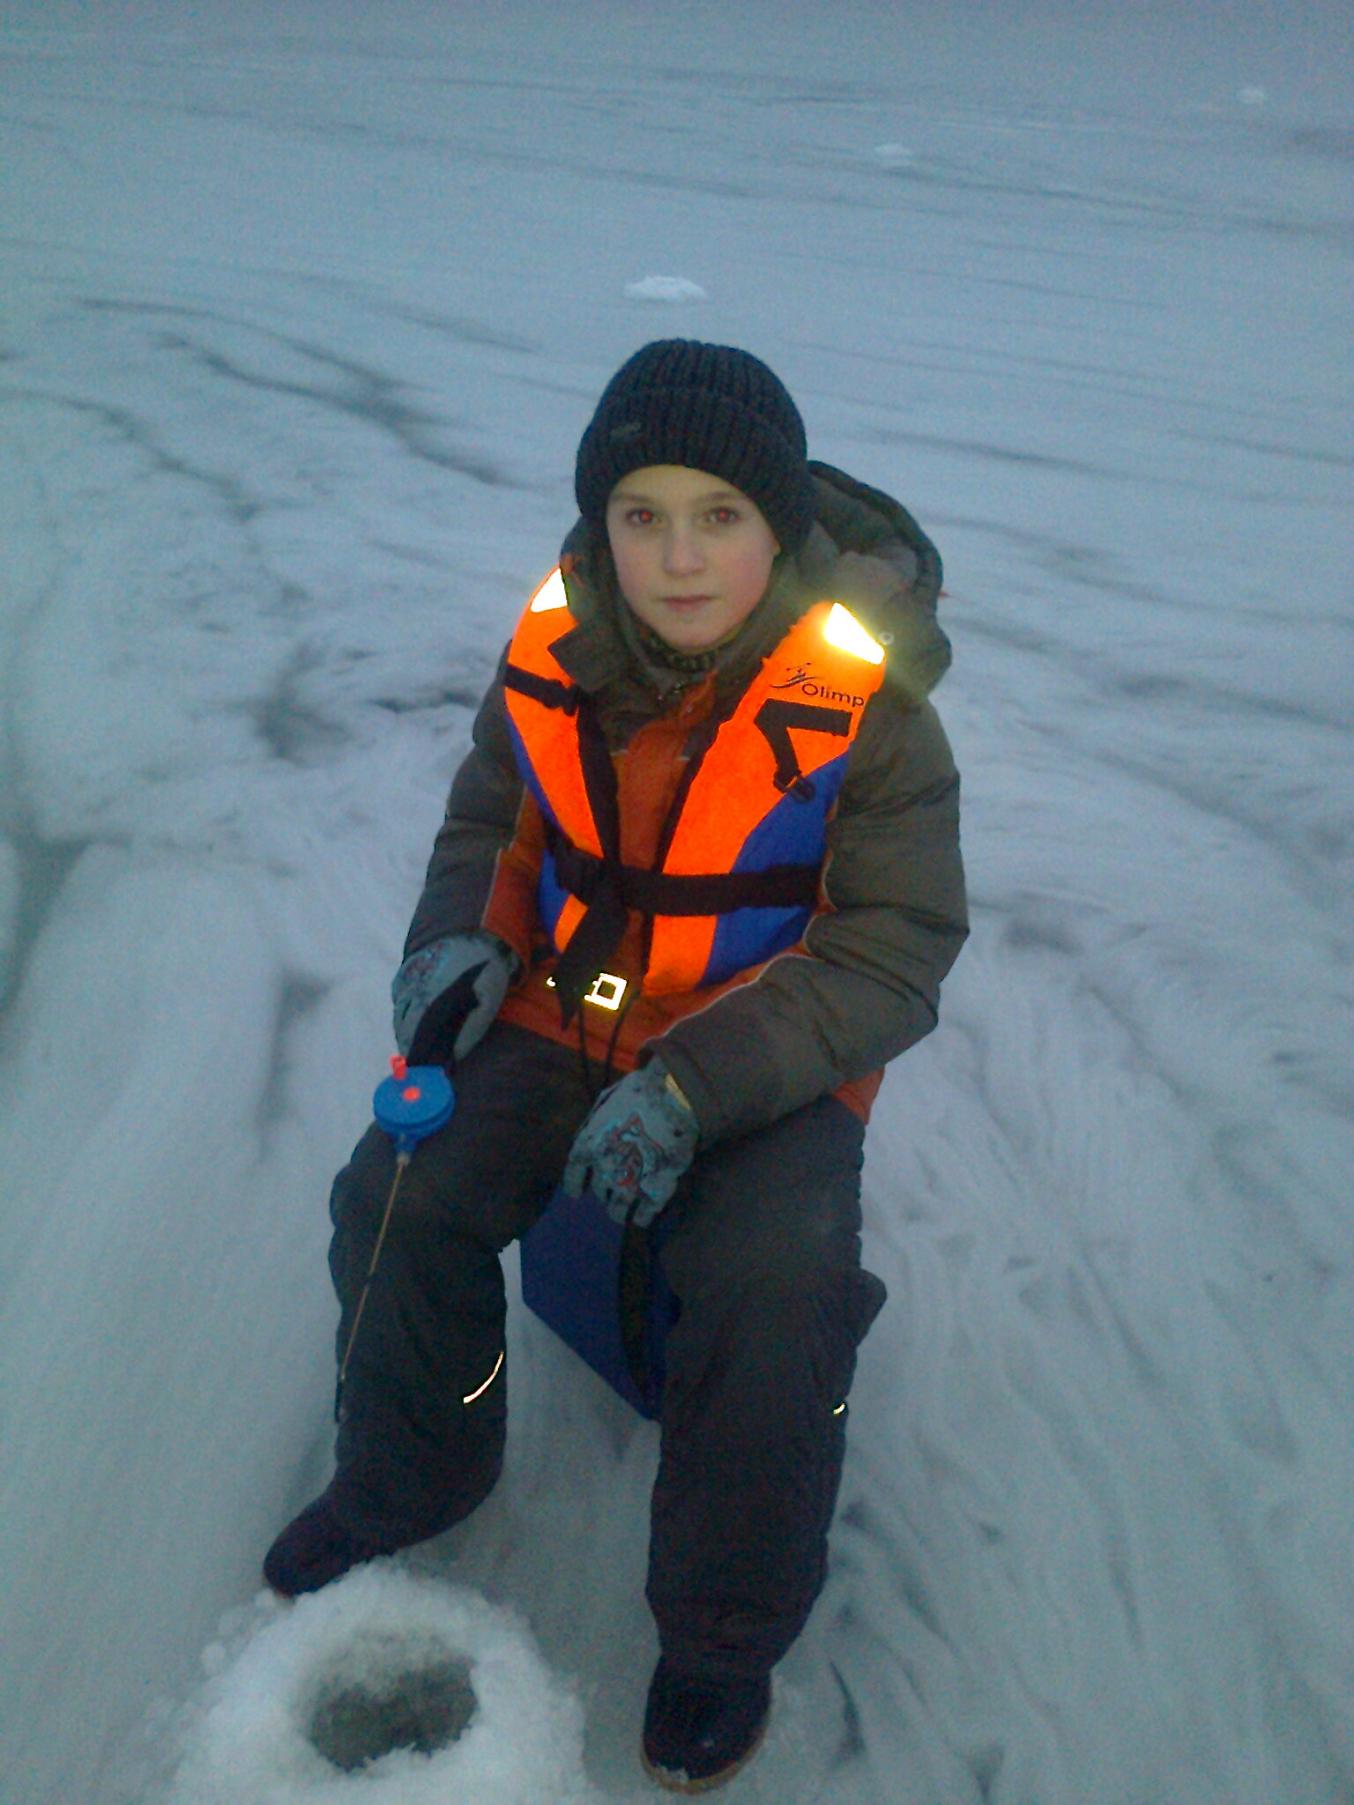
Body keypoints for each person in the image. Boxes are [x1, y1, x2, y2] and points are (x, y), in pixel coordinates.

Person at [263, 340, 967, 1791]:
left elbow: (893, 946)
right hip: (567, 1003)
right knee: (397, 1194)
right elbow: (493, 820)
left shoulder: (872, 700)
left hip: (767, 1050)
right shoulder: (557, 638)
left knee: (773, 1292)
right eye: (641, 514)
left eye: (719, 515)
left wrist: (698, 1085)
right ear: (601, 523)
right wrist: (462, 938)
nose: (678, 556)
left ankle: (721, 1636)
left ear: (779, 526)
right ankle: (412, 1477)